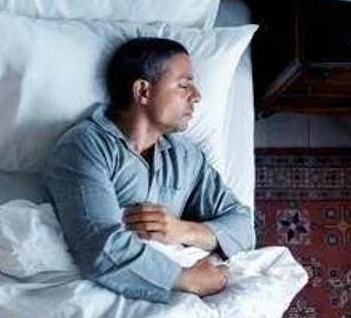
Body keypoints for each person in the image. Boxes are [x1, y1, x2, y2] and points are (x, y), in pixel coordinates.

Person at [43, 37, 255, 302]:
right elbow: (99, 247)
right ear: (143, 91)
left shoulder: (186, 156)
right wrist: (186, 279)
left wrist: (180, 230)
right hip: (99, 295)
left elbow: (244, 227)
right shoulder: (86, 146)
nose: (197, 96)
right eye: (184, 85)